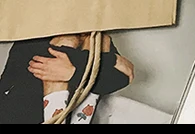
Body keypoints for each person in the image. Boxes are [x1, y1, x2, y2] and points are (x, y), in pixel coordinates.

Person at [0, 32, 134, 125]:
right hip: (17, 115)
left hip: (73, 117)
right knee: (68, 40)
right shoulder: (34, 38)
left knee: (100, 40)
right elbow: (123, 71)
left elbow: (121, 78)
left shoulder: (94, 39)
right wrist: (114, 60)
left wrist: (72, 72)